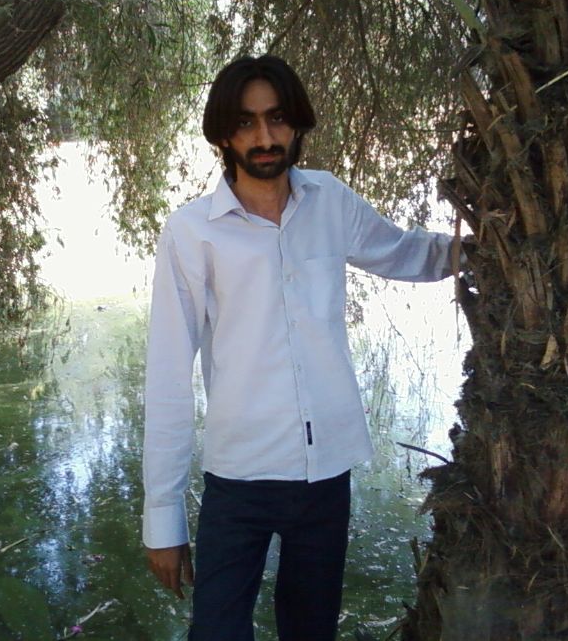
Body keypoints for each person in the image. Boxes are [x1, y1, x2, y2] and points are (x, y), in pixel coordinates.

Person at [142, 55, 458, 640]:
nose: (264, 137)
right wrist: (163, 517)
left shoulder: (330, 201)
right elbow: (166, 376)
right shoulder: (192, 232)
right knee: (215, 633)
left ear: (297, 124)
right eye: (245, 123)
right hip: (239, 478)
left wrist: (483, 245)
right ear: (223, 134)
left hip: (325, 475)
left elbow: (404, 252)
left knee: (311, 631)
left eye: (277, 118)